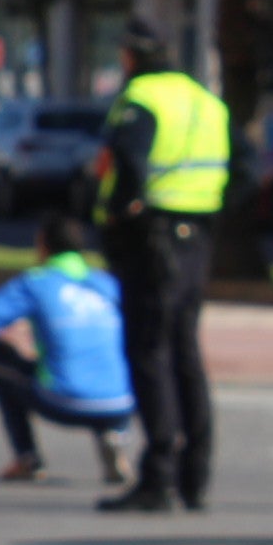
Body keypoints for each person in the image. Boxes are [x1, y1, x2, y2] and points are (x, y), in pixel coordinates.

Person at [93, 26, 229, 513]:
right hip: (199, 235)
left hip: (152, 238)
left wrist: (120, 211)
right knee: (185, 352)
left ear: (130, 57)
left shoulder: (142, 97)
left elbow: (128, 158)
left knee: (149, 352)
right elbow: (246, 168)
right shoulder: (206, 100)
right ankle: (196, 474)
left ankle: (159, 478)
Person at [0, 214, 135, 486]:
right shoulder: (107, 284)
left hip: (64, 399)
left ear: (42, 246)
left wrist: (3, 340)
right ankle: (112, 435)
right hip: (122, 404)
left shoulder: (38, 282)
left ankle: (27, 459)